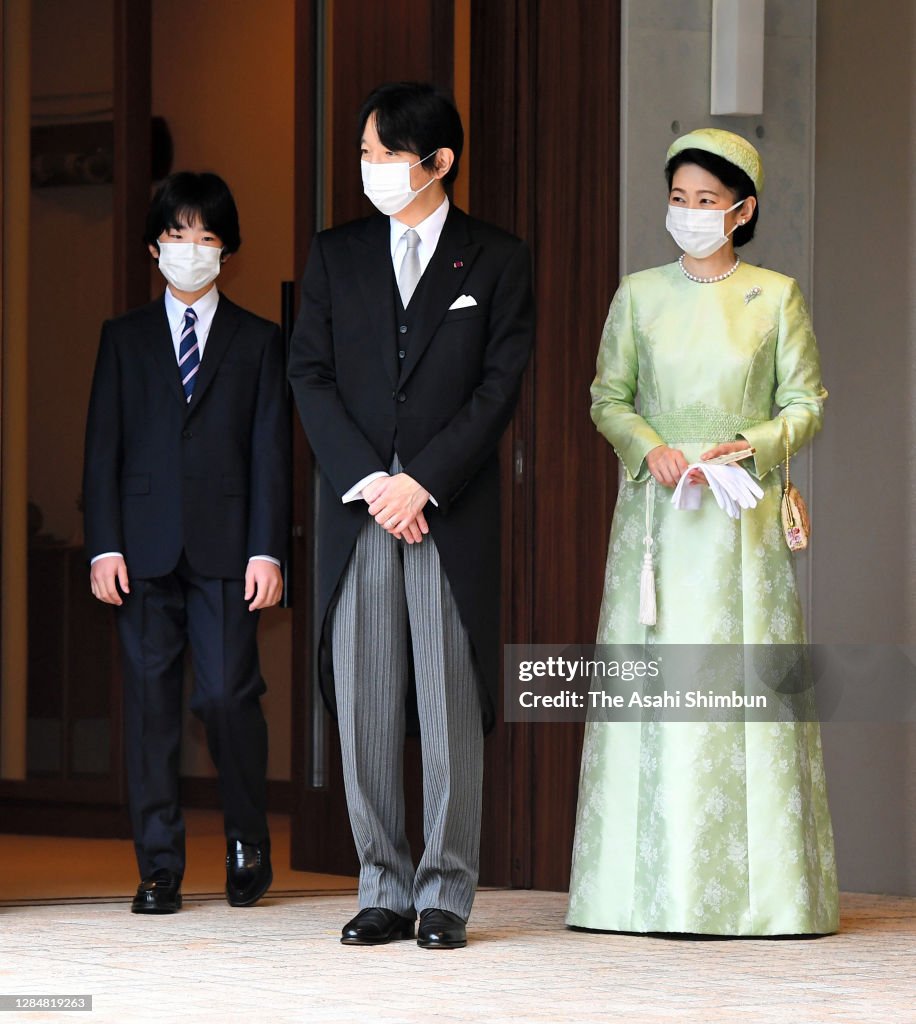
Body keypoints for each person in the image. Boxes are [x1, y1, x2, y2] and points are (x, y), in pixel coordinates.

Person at [566, 129, 839, 936]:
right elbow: (607, 396)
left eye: (707, 201)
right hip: (658, 515)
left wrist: (751, 446)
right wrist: (651, 449)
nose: (688, 213)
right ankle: (630, 893)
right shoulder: (638, 294)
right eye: (679, 199)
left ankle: (766, 901)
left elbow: (808, 403)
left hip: (738, 515)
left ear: (742, 210)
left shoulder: (777, 295)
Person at [289, 81, 534, 949]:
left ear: (439, 163)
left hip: (444, 511)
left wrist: (421, 480)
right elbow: (308, 373)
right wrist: (367, 477)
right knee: (363, 702)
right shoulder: (335, 252)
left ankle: (444, 892)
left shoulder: (496, 259)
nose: (371, 170)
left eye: (385, 155)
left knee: (447, 705)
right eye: (365, 154)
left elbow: (498, 387)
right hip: (361, 511)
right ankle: (382, 885)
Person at [83, 172, 289, 914]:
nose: (191, 249)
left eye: (206, 237)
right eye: (177, 235)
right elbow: (101, 450)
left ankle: (247, 840)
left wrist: (268, 550)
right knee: (149, 706)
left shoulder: (260, 340)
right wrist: (103, 546)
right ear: (153, 245)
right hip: (139, 554)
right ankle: (159, 866)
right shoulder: (123, 338)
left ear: (226, 250)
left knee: (228, 694)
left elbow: (270, 453)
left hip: (230, 553)